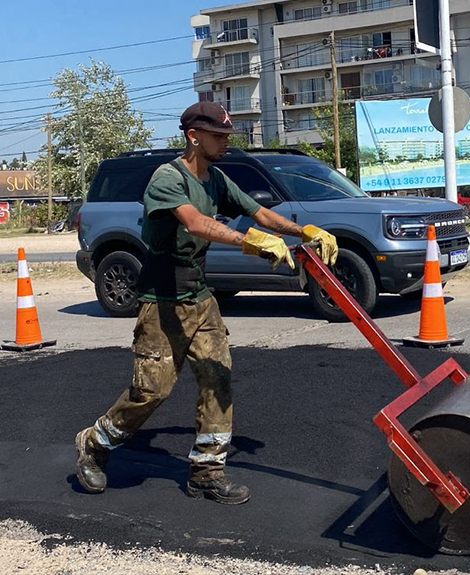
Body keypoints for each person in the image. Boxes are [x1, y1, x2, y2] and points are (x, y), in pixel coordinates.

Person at [74, 101, 338, 505]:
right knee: (152, 391)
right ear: (193, 136)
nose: (225, 144)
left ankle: (207, 472)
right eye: (219, 136)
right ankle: (95, 443)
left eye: (228, 137)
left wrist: (304, 231)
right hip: (161, 302)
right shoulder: (168, 178)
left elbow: (259, 212)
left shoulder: (215, 178)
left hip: (200, 298)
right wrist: (249, 242)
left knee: (218, 377)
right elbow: (195, 223)